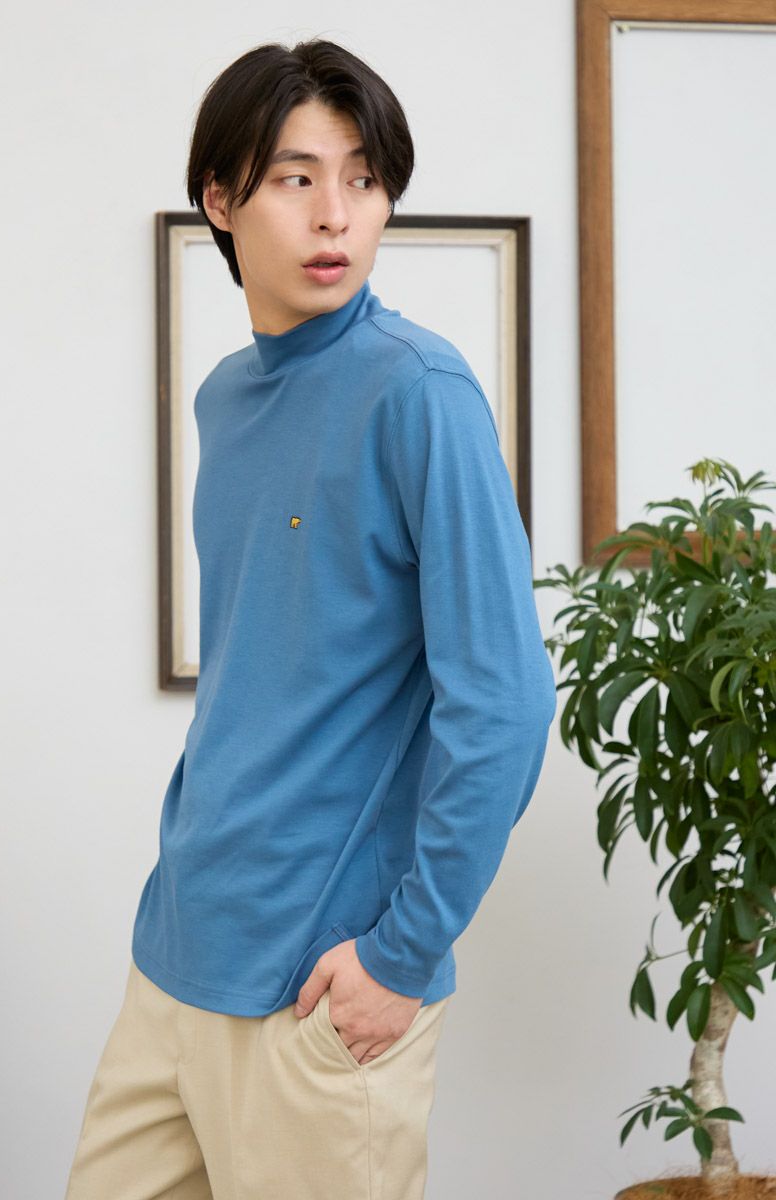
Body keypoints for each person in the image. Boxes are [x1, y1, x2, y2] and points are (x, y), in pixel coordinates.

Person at [64, 36, 557, 1200]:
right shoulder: (226, 399)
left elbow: (504, 703)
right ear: (220, 200)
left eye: (363, 179)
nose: (336, 213)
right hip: (179, 955)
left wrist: (402, 953)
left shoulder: (420, 393)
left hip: (321, 991)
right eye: (296, 178)